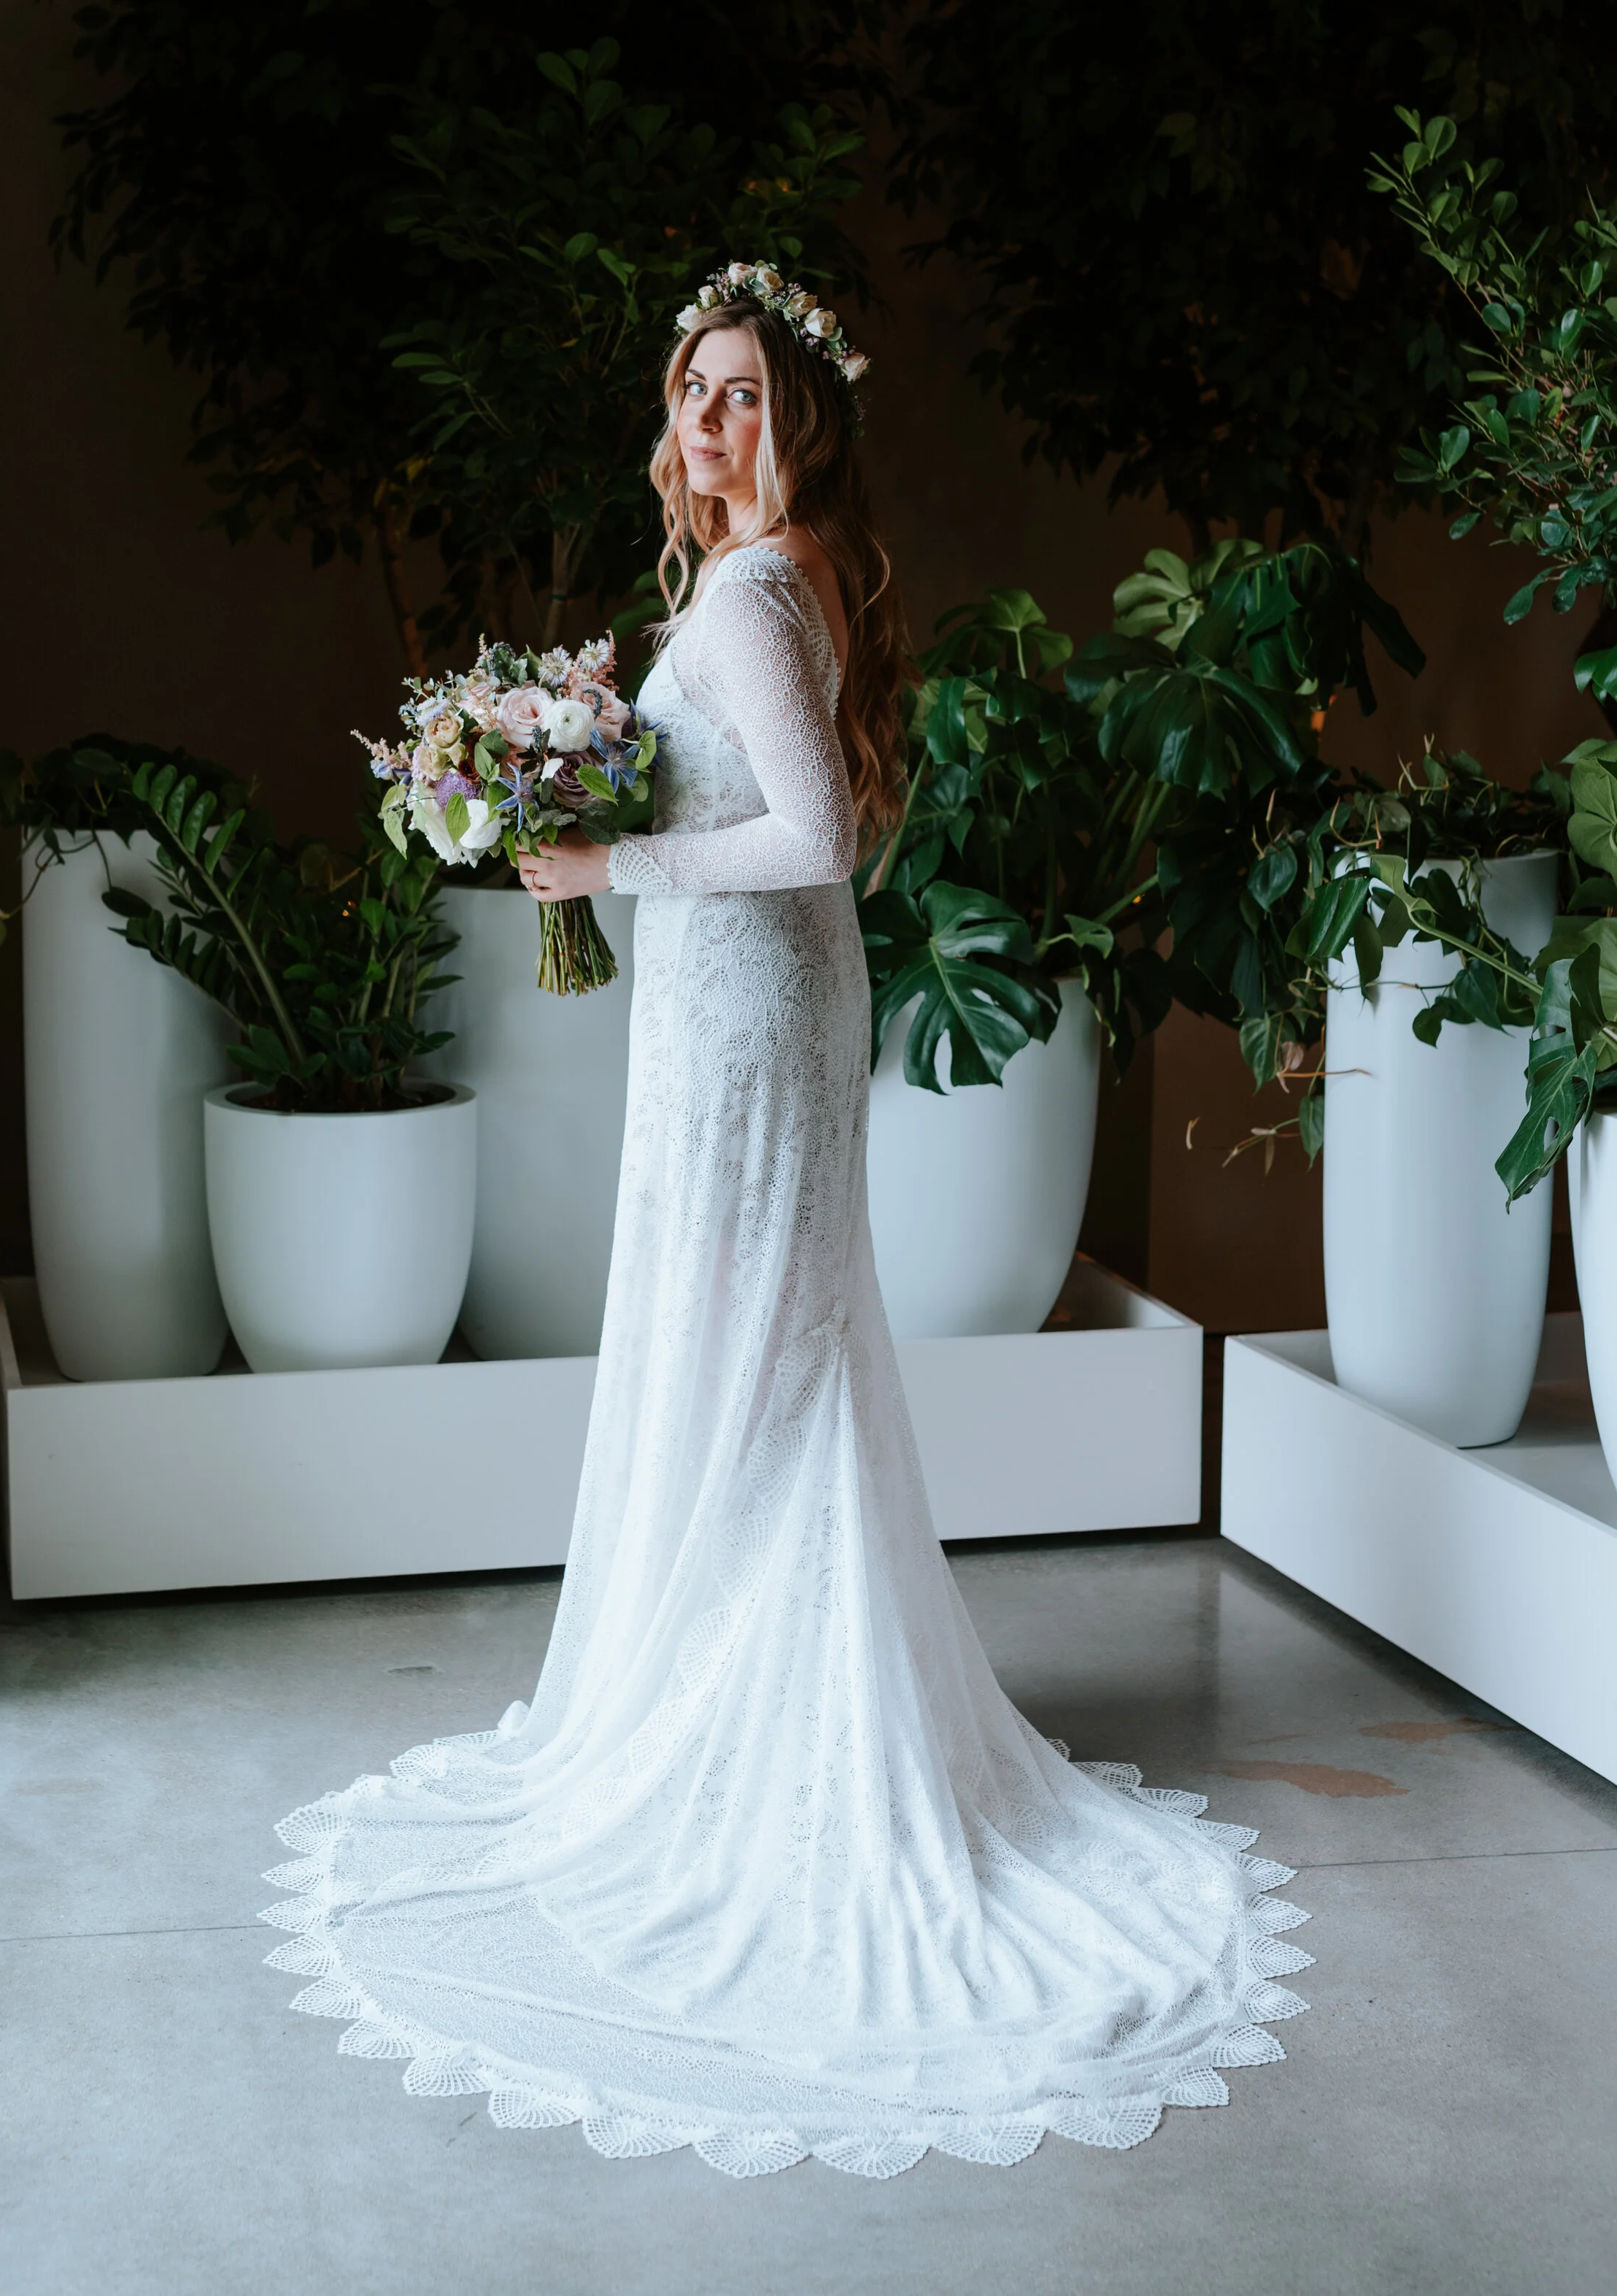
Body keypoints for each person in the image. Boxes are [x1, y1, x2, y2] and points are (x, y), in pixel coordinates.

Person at [262, 267, 1312, 2178]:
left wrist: (596, 860)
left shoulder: (752, 588)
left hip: (750, 998)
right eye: (692, 395)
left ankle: (758, 1734)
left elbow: (816, 839)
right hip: (742, 993)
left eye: (742, 395)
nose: (709, 427)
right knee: (758, 1336)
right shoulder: (754, 579)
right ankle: (744, 1678)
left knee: (752, 1343)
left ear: (799, 418)